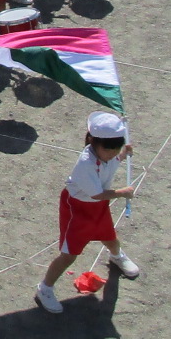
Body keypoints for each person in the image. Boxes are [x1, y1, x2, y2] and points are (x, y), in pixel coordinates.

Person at [35, 111, 140, 313]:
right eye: (108, 150)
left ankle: (116, 256)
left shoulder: (106, 154)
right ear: (92, 141)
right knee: (69, 255)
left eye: (115, 149)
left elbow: (110, 163)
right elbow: (97, 194)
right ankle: (45, 288)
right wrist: (122, 193)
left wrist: (122, 155)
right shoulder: (85, 164)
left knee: (109, 236)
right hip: (77, 209)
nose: (111, 154)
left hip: (98, 206)